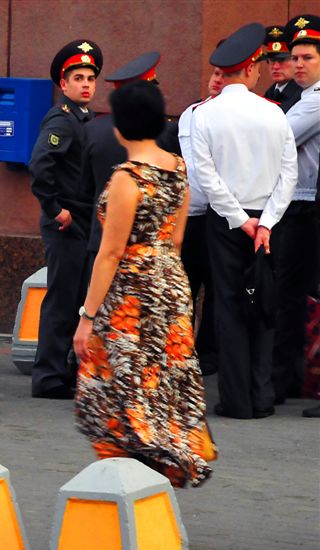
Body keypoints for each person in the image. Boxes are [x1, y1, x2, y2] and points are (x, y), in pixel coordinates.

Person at [73, 81, 214, 488]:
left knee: (116, 379)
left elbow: (111, 253)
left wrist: (87, 316)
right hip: (171, 282)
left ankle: (141, 469)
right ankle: (171, 457)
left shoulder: (127, 178)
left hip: (132, 291)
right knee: (165, 374)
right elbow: (177, 239)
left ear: (120, 126)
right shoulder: (178, 167)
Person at [191, 23, 297, 420]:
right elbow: (290, 174)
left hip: (226, 222)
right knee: (265, 304)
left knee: (230, 307)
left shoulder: (207, 114)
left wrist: (240, 220)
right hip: (271, 221)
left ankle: (235, 399)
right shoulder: (273, 114)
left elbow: (206, 177)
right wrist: (266, 223)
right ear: (252, 68)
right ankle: (262, 395)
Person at [28, 39, 102, 400]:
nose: (86, 84)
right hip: (65, 222)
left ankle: (69, 370)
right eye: (78, 77)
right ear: (64, 84)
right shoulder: (62, 118)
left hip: (82, 221)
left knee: (77, 296)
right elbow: (41, 165)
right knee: (62, 298)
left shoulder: (84, 118)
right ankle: (48, 377)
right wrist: (54, 208)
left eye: (90, 77)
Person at [80, 52, 181, 265]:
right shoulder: (167, 131)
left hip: (103, 244)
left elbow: (85, 189)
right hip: (153, 253)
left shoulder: (92, 129)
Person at [272, 15, 320, 407]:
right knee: (290, 294)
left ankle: (285, 379)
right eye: (295, 56)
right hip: (300, 205)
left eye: (307, 56)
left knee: (289, 294)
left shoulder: (316, 100)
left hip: (307, 208)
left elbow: (279, 137)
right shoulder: (303, 98)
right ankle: (288, 379)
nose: (298, 63)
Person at [176, 63, 226, 376]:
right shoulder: (191, 113)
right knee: (186, 287)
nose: (217, 81)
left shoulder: (244, 114)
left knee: (218, 290)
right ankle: (180, 350)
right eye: (215, 74)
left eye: (225, 75)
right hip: (192, 216)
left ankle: (209, 354)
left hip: (223, 215)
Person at [262, 25, 303, 112]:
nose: (276, 66)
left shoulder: (303, 95)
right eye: (272, 60)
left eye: (282, 60)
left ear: (294, 60)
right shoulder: (271, 93)